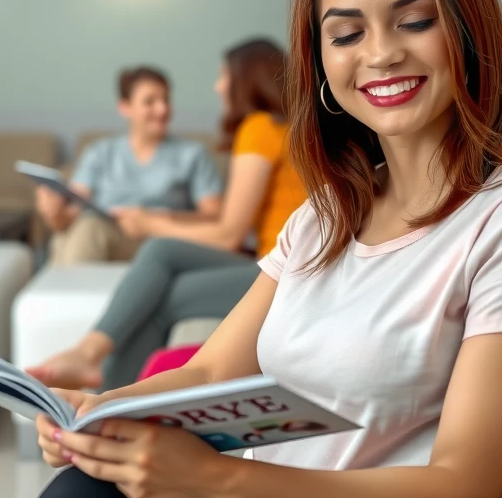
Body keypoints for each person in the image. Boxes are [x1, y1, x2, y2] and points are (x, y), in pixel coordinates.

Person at [16, 0, 502, 498]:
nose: (379, 54)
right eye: (347, 33)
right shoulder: (329, 213)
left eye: (414, 21)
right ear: (321, 61)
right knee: (91, 488)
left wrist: (213, 482)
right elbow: (211, 373)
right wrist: (100, 416)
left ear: (467, 28)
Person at [27, 38, 304, 391]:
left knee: (161, 296)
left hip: (283, 271)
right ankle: (90, 359)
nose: (218, 86)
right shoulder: (290, 128)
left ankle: (106, 401)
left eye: (224, 77)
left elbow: (229, 233)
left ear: (245, 80)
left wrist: (151, 222)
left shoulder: (259, 129)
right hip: (279, 261)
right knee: (159, 250)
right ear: (125, 107)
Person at [36, 66, 223, 265]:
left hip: (157, 241)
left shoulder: (192, 154)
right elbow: (71, 213)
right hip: (102, 234)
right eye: (150, 102)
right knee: (67, 235)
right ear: (125, 107)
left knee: (86, 231)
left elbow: (214, 217)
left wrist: (154, 219)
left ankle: (59, 294)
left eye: (166, 100)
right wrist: (55, 213)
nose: (162, 109)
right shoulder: (100, 152)